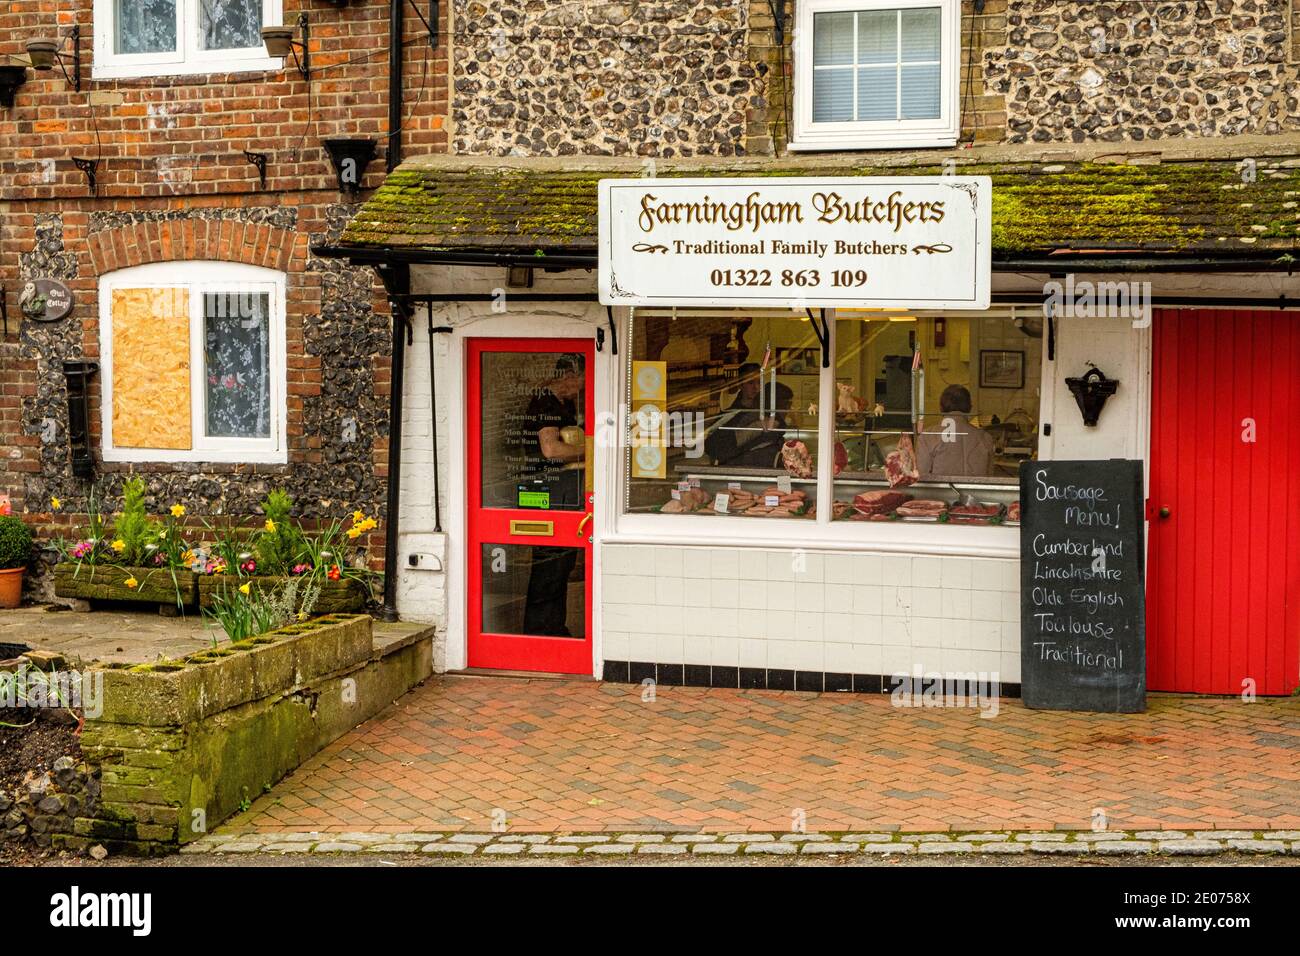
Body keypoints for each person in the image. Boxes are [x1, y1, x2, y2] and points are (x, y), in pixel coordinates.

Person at [520, 354, 585, 637]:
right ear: (568, 375)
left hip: (563, 488)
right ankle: (540, 631)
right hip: (547, 488)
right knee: (550, 562)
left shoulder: (563, 402)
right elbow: (551, 450)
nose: (581, 388)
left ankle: (554, 628)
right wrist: (590, 451)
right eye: (580, 381)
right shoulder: (545, 403)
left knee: (562, 563)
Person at [704, 363, 795, 468]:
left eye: (759, 383)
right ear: (740, 384)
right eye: (750, 383)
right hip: (736, 469)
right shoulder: (730, 414)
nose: (756, 387)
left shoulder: (768, 412)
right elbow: (713, 445)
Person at [917, 384, 995, 478]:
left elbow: (922, 477)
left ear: (941, 407)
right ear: (970, 408)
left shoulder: (927, 437)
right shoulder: (986, 438)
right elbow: (989, 478)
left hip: (939, 492)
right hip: (975, 492)